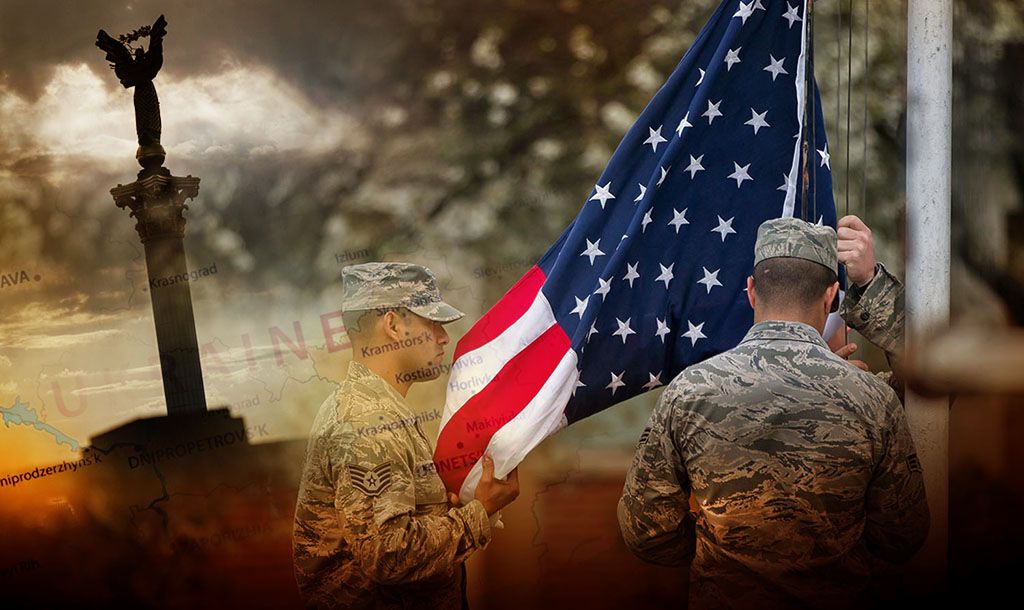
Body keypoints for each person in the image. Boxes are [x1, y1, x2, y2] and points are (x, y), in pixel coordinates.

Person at [617, 218, 929, 609]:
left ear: (751, 291)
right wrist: (869, 285)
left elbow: (646, 530)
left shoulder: (689, 391)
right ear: (831, 295)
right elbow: (902, 535)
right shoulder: (872, 398)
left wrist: (725, 554)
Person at [292, 262, 520, 610]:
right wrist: (479, 513)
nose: (444, 337)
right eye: (432, 322)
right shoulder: (368, 421)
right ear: (394, 325)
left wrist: (449, 511)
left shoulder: (379, 410)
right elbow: (388, 555)